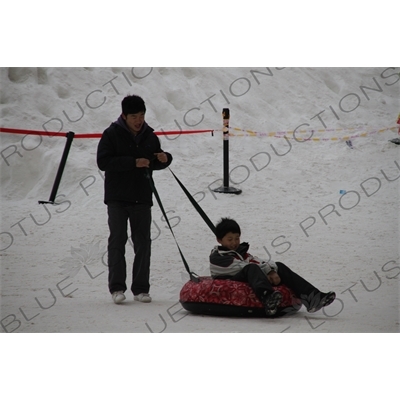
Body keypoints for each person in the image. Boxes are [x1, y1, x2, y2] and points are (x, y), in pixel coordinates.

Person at [97, 95, 173, 304]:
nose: (138, 120)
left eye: (141, 116)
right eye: (134, 116)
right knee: (117, 240)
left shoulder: (149, 135)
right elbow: (103, 162)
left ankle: (141, 289)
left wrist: (165, 158)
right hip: (117, 198)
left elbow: (153, 161)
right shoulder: (111, 134)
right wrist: (132, 162)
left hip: (141, 196)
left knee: (143, 243)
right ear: (124, 116)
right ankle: (117, 288)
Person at [210, 218, 336, 316]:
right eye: (230, 239)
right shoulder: (218, 257)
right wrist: (267, 272)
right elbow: (240, 267)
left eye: (237, 238)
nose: (234, 243)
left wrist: (272, 270)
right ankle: (268, 298)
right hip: (229, 279)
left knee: (278, 266)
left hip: (247, 274)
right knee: (251, 268)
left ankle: (313, 298)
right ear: (219, 240)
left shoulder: (242, 253)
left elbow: (257, 261)